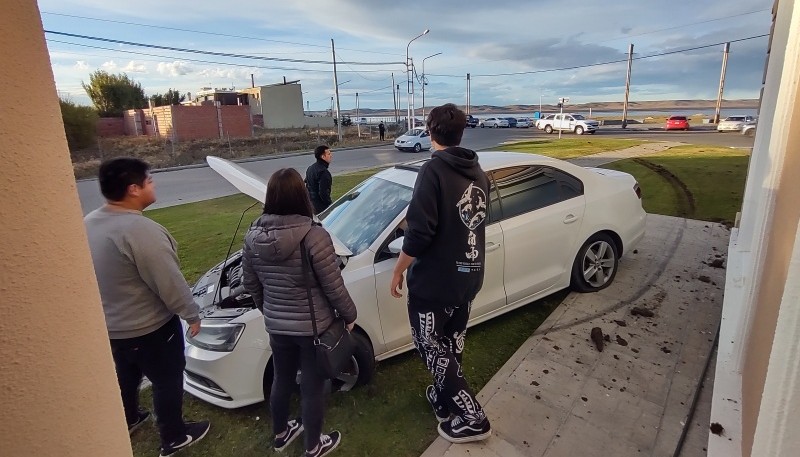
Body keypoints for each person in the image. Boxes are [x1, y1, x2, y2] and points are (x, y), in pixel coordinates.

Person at [83, 158, 210, 457]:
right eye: (149, 181)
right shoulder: (140, 231)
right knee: (167, 379)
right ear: (133, 189)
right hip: (149, 328)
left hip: (112, 328)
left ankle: (127, 419)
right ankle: (174, 437)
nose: (154, 185)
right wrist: (191, 314)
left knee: (126, 375)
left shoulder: (88, 223)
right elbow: (169, 281)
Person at [390, 103, 492, 443]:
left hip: (434, 283)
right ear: (461, 132)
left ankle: (473, 416)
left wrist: (398, 270)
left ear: (430, 131)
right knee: (451, 342)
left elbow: (419, 234)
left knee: (431, 346)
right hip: (468, 276)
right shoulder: (476, 171)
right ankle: (445, 397)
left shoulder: (432, 172)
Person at [242, 168, 357, 457]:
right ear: (302, 195)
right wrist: (349, 314)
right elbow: (334, 285)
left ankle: (281, 434)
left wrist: (268, 310)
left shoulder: (252, 236)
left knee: (281, 378)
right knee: (312, 386)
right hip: (313, 328)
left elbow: (250, 283)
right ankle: (314, 446)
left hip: (277, 327)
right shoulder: (314, 235)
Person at [305, 145, 333, 214]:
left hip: (311, 205)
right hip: (321, 207)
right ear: (323, 157)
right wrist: (330, 205)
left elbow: (306, 183)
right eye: (329, 154)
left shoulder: (310, 168)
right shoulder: (323, 172)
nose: (331, 155)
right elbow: (323, 193)